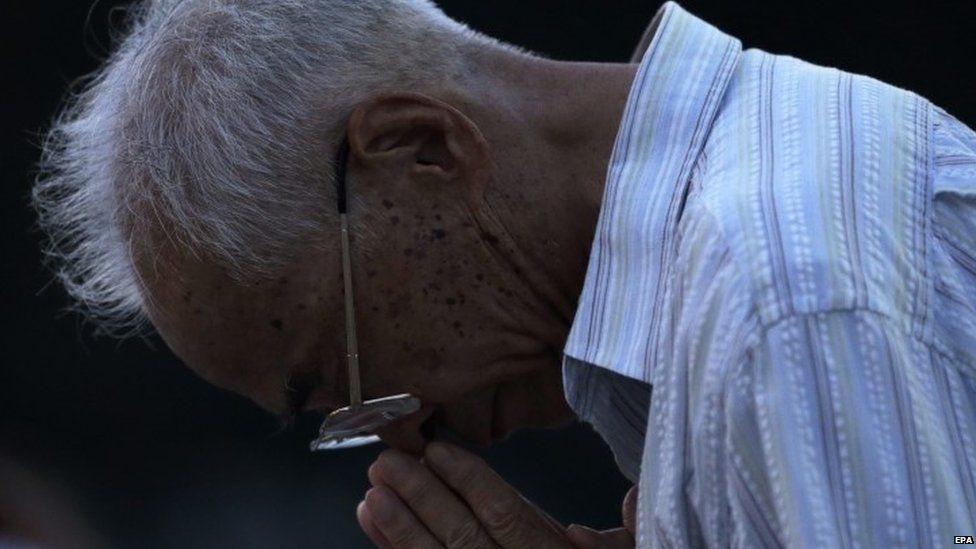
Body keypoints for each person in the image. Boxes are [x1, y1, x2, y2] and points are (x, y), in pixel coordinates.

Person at [32, 0, 976, 546]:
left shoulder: (776, 301)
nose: (395, 433)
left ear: (425, 149)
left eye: (342, 373)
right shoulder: (746, 236)